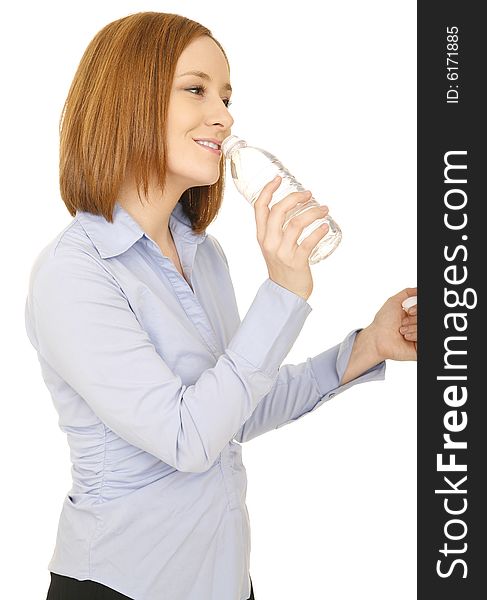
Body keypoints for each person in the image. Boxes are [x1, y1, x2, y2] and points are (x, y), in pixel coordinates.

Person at [24, 11, 417, 600]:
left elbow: (235, 409)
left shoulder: (203, 256)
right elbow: (188, 437)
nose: (225, 116)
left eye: (228, 96)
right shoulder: (73, 273)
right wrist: (282, 293)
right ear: (128, 99)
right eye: (197, 89)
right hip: (121, 586)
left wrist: (370, 344)